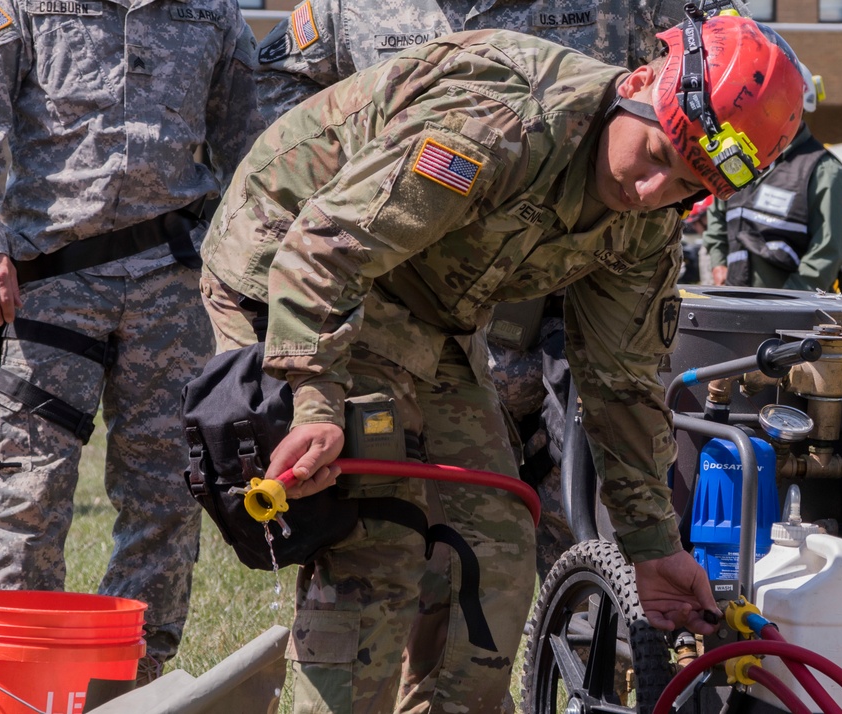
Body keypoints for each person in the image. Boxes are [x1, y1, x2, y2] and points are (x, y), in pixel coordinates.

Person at [199, 9, 805, 712]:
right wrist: (315, 404)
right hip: (290, 261)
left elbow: (623, 383)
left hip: (421, 305)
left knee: (495, 545)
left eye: (682, 189)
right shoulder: (502, 122)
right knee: (379, 533)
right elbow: (325, 250)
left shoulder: (644, 225)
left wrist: (651, 544)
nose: (649, 192)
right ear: (639, 84)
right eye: (656, 155)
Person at [251, 0, 696, 592]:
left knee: (537, 525)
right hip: (382, 289)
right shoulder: (346, 8)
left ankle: (577, 650)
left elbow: (693, 109)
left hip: (555, 317)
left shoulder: (630, 9)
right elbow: (288, 99)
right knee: (389, 536)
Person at [0, 0, 262, 681]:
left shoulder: (215, 13)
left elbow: (250, 148)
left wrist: (257, 268)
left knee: (166, 496)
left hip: (174, 285)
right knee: (30, 491)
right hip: (47, 282)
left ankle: (128, 683)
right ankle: (7, 682)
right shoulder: (17, 4)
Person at [702, 66, 842, 293]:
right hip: (736, 306)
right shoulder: (740, 156)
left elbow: (825, 256)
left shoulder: (825, 172)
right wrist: (719, 262)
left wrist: (784, 305)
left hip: (794, 320)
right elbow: (718, 211)